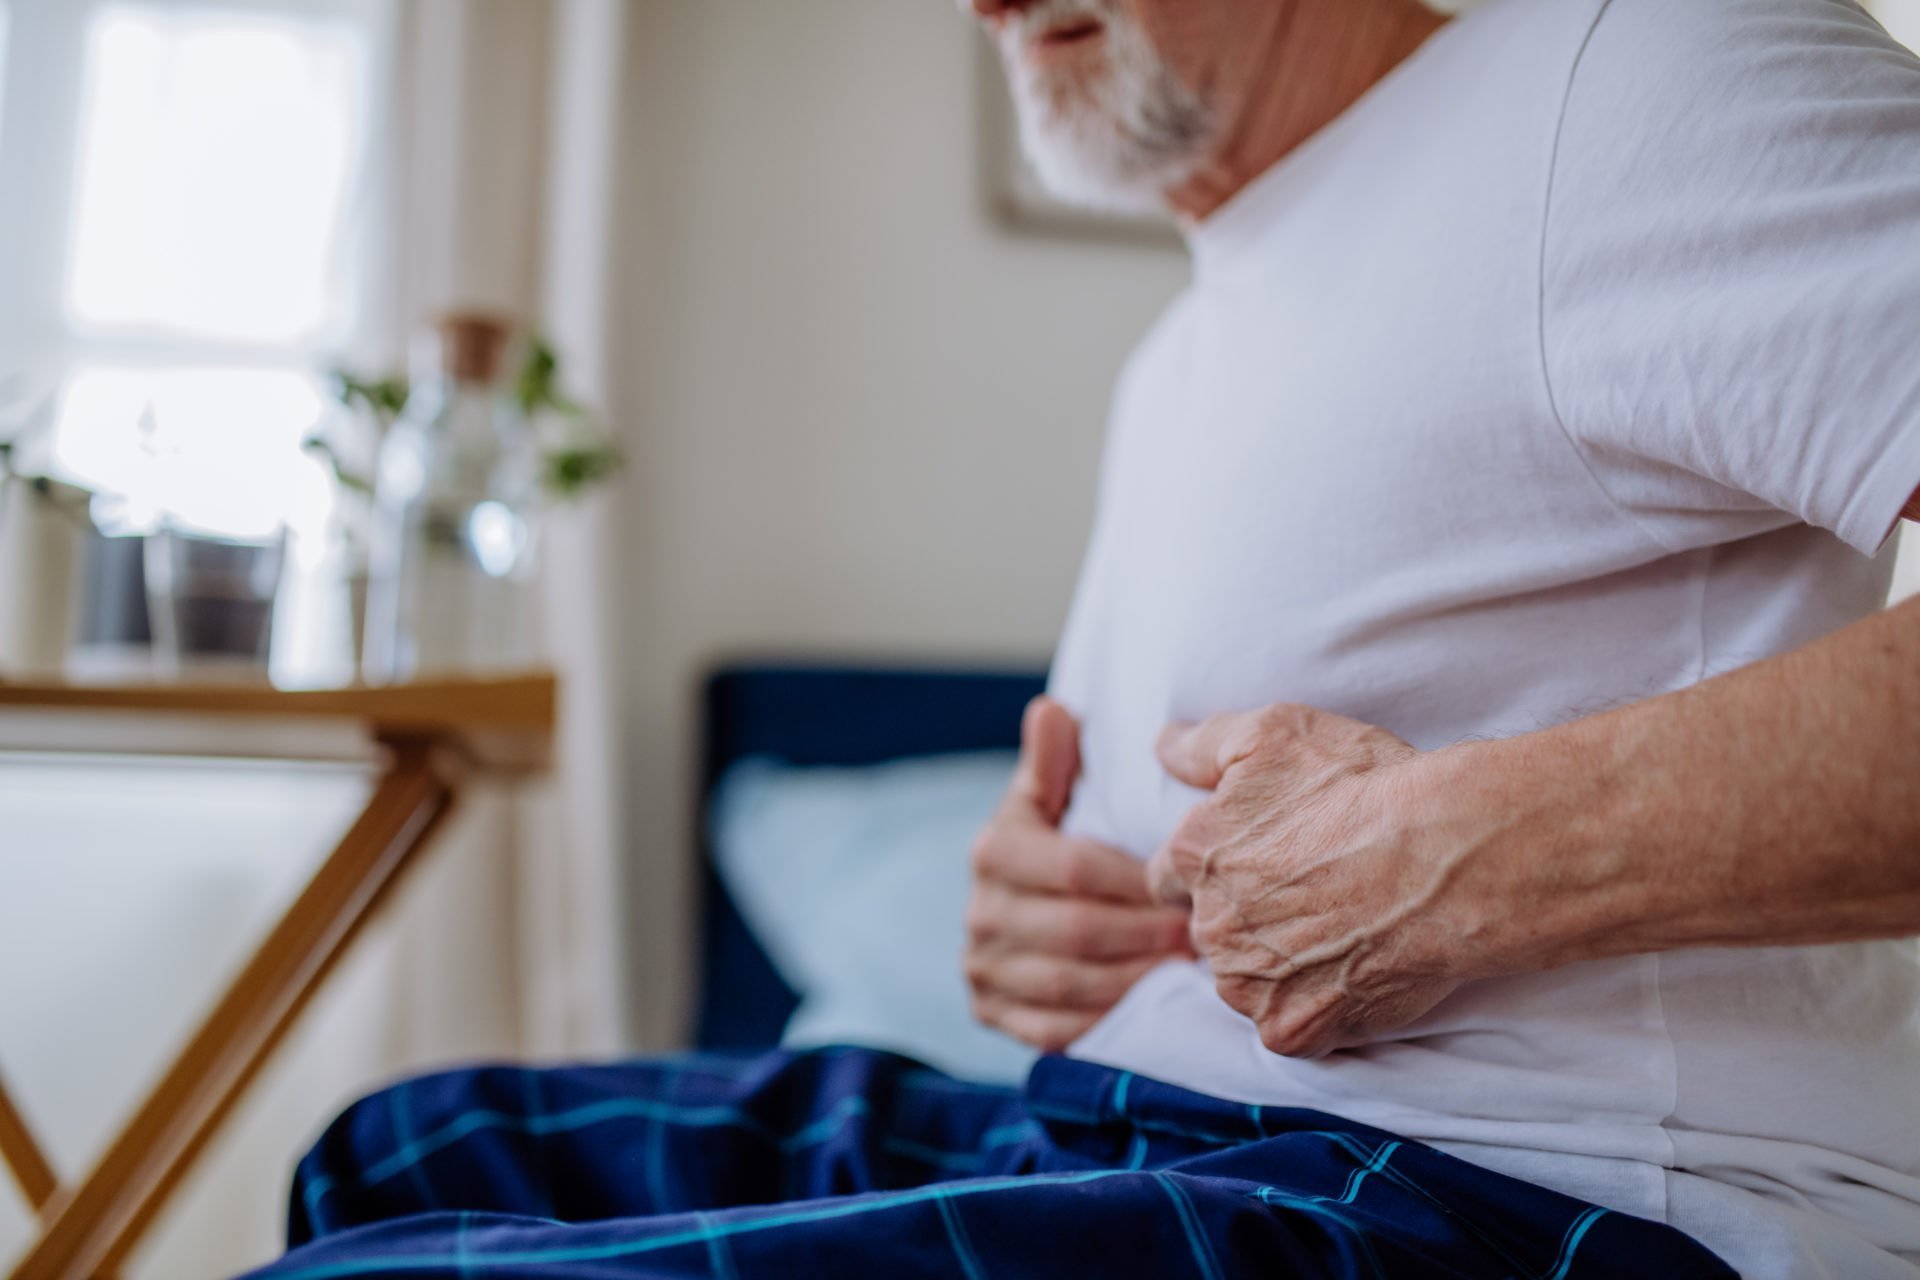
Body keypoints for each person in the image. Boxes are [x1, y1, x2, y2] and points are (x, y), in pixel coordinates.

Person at [245, 0, 1920, 1277]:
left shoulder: (1643, 78)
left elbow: (1402, 850)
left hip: (1520, 1194)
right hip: (1120, 1125)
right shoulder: (1186, 339)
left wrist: (1451, 854)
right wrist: (1038, 928)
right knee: (407, 1150)